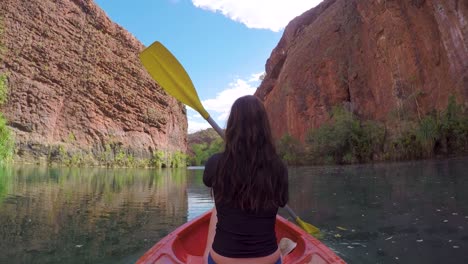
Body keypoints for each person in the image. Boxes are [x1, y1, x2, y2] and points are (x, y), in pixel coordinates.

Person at [203, 95, 289, 264]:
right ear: (264, 127)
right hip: (268, 260)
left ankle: (206, 253)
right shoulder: (279, 167)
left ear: (232, 127)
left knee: (217, 205)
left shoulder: (215, 163)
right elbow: (282, 201)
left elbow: (208, 182)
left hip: (222, 260)